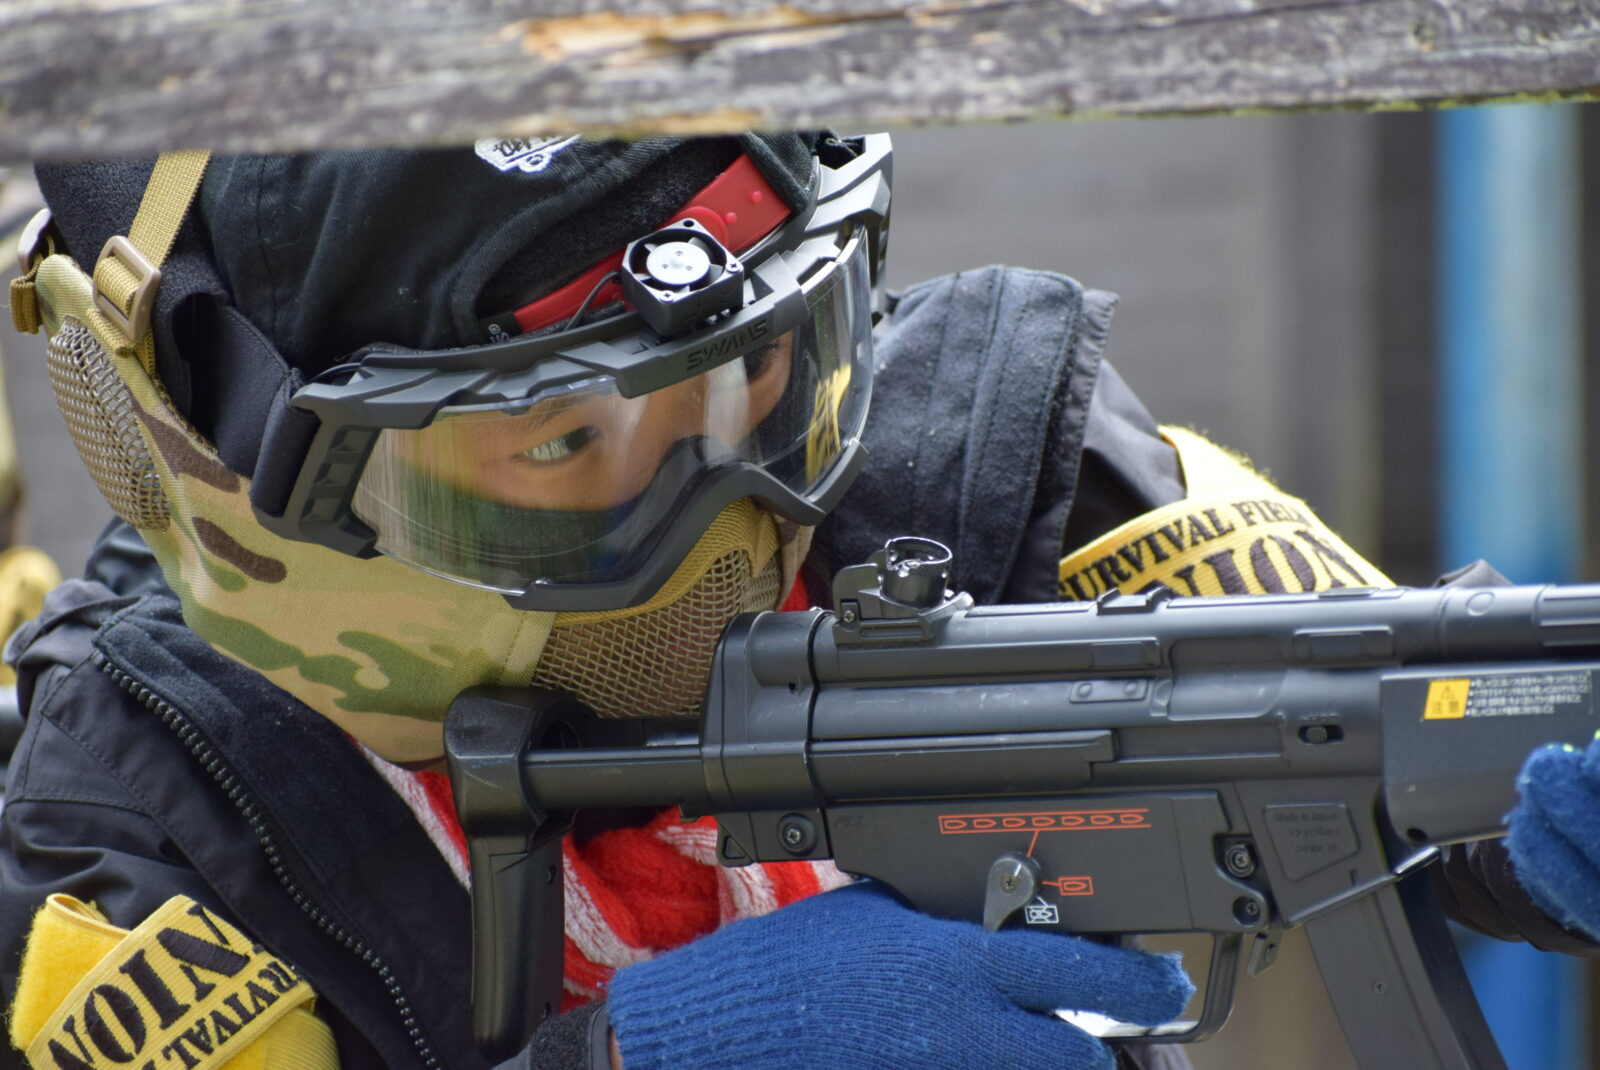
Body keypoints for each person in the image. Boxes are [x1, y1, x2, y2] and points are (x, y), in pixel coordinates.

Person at [0, 130, 1586, 1070]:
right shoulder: (131, 850)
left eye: (759, 369)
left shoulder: (983, 456)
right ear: (254, 464)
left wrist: (1530, 814)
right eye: (561, 441)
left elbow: (1391, 727)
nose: (725, 507)